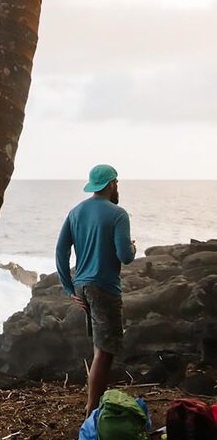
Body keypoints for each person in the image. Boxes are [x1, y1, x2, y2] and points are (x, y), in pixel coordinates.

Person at [55, 164, 136, 417]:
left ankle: (95, 405)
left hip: (83, 285)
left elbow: (60, 251)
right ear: (111, 184)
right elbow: (125, 256)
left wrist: (70, 288)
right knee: (106, 351)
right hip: (104, 287)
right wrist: (132, 247)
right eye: (117, 183)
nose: (117, 187)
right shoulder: (118, 214)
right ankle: (92, 411)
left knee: (99, 348)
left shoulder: (76, 212)